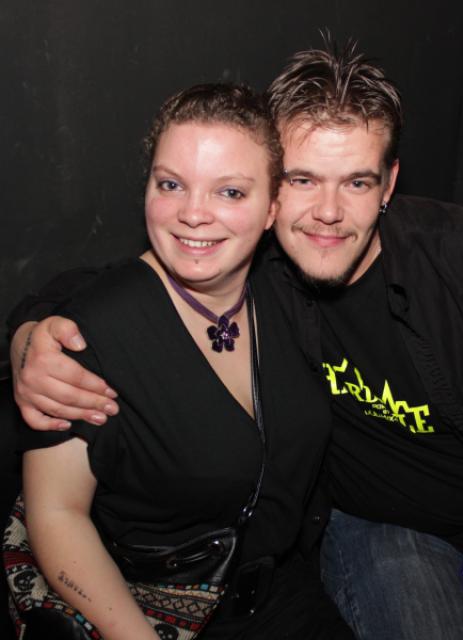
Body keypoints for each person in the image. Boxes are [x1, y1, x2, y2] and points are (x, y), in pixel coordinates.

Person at [9, 43, 463, 640]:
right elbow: (118, 285)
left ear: (388, 185)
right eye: (304, 180)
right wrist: (30, 336)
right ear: (272, 191)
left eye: (357, 183)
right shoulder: (256, 265)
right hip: (389, 531)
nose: (329, 213)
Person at [7, 82, 354, 639]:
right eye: (171, 184)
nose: (193, 214)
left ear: (272, 207)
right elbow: (57, 514)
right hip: (146, 612)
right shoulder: (85, 334)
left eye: (230, 192)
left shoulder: (287, 293)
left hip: (284, 598)